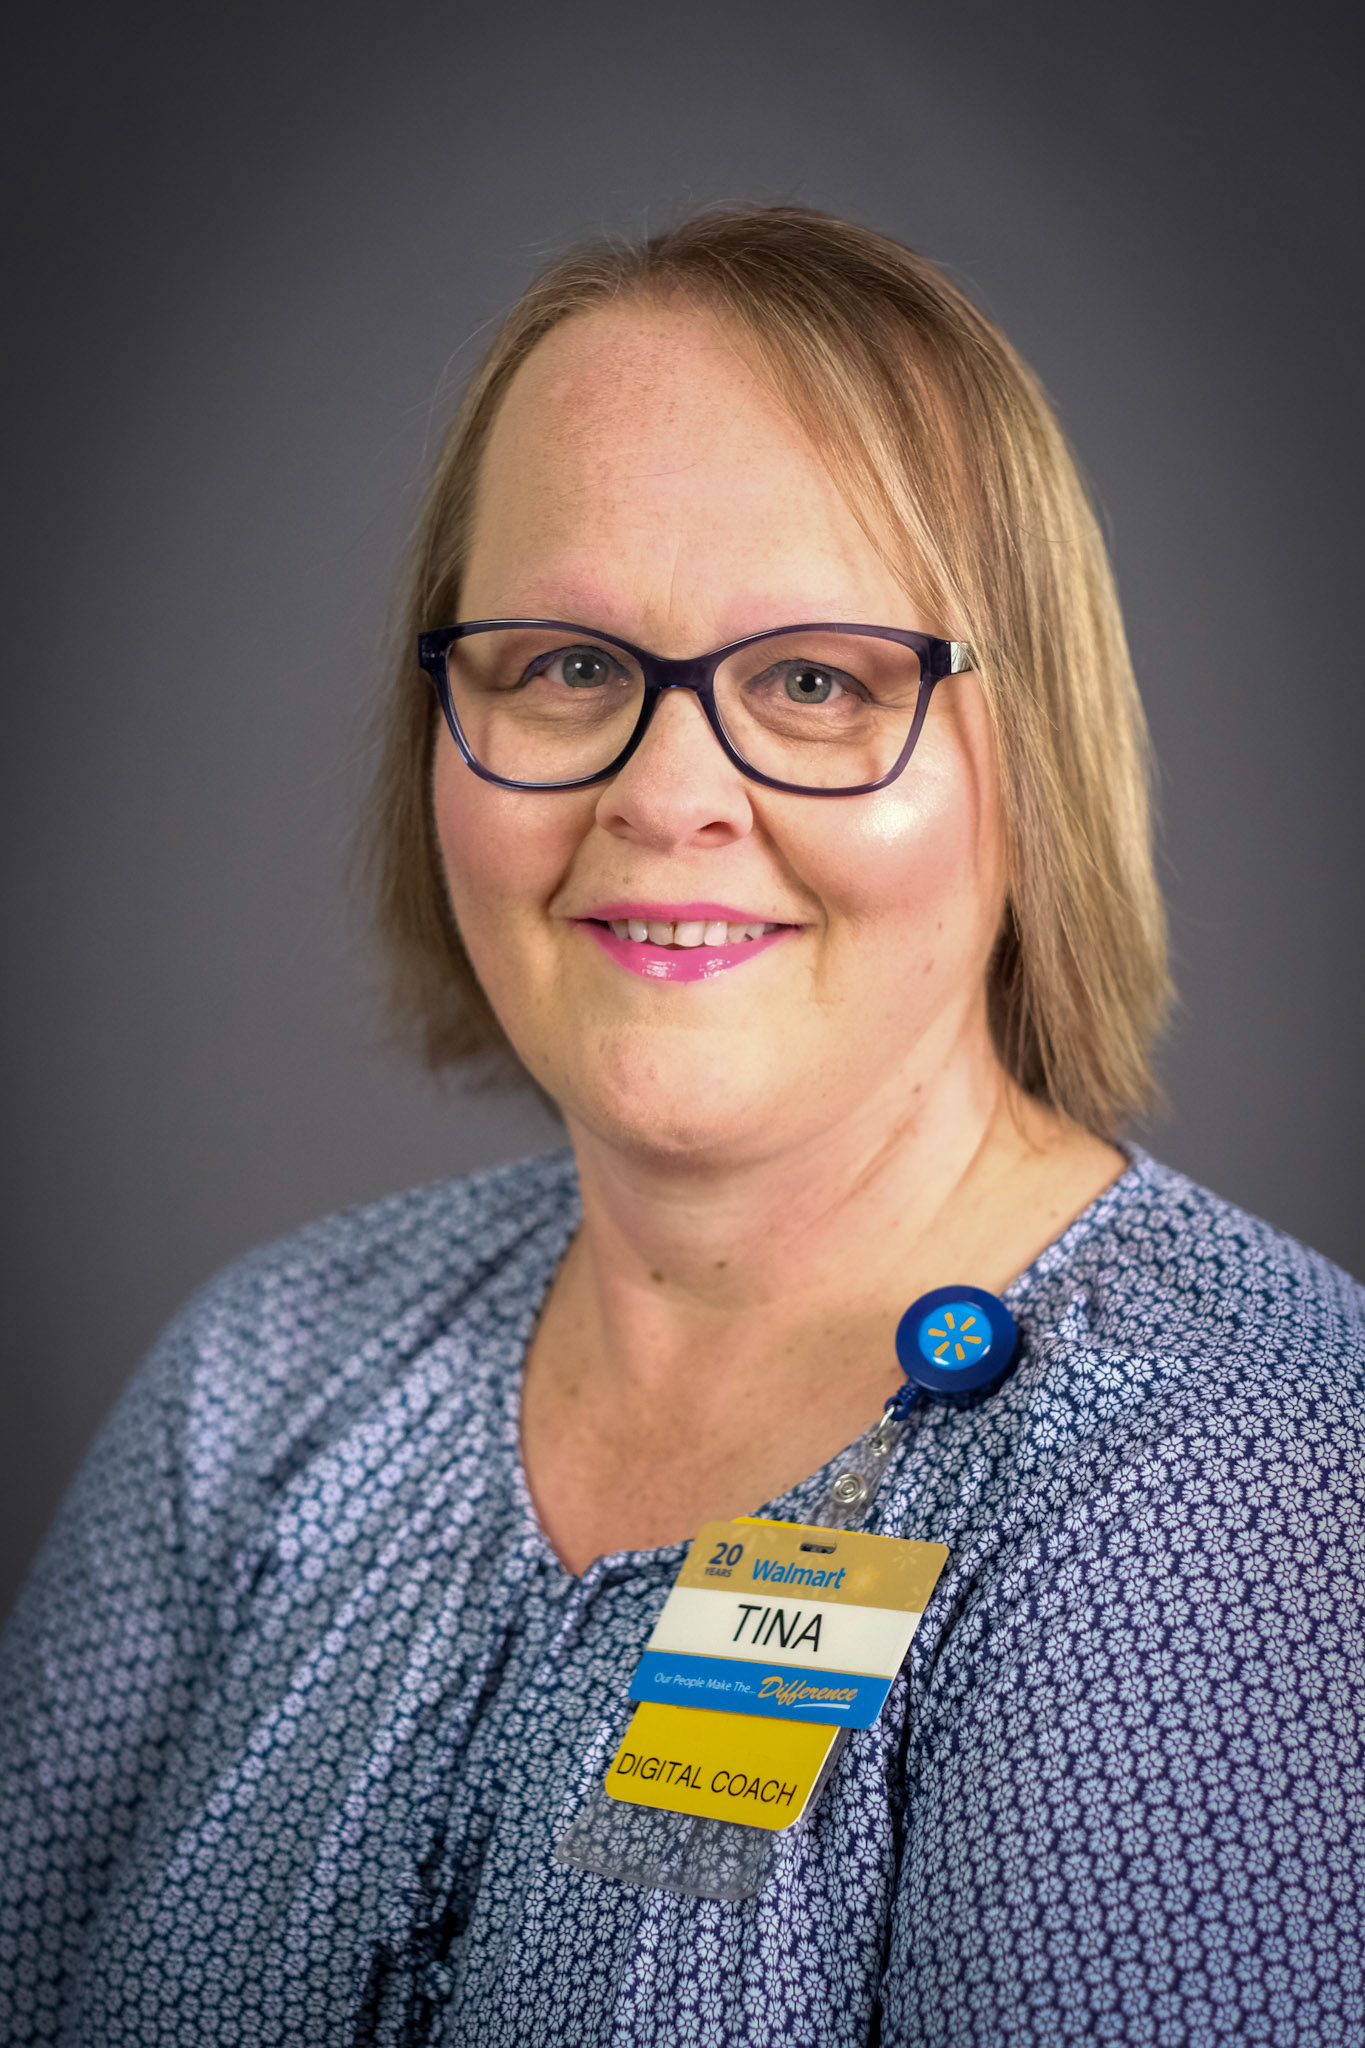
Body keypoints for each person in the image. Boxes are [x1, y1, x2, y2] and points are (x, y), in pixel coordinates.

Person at [2, 206, 1362, 2048]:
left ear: (1033, 758)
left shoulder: (1235, 1479)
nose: (664, 797)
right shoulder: (259, 1378)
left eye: (813, 681)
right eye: (565, 665)